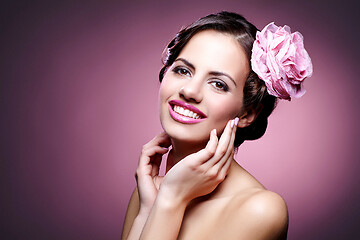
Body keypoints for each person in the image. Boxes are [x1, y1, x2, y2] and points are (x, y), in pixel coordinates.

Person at [121, 11, 312, 240]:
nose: (189, 91)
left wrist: (172, 199)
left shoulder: (260, 210)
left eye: (218, 84)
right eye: (183, 70)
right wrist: (147, 210)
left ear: (247, 113)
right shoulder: (148, 191)